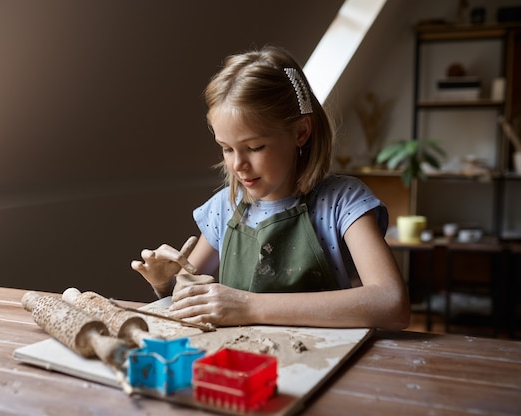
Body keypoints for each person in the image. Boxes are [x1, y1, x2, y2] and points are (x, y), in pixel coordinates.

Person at [131, 45, 410, 330]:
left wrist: (249, 306)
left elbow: (391, 303)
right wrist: (165, 282)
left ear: (301, 132)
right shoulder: (223, 208)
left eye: (254, 147)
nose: (238, 164)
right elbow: (186, 295)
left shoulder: (342, 202)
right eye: (226, 149)